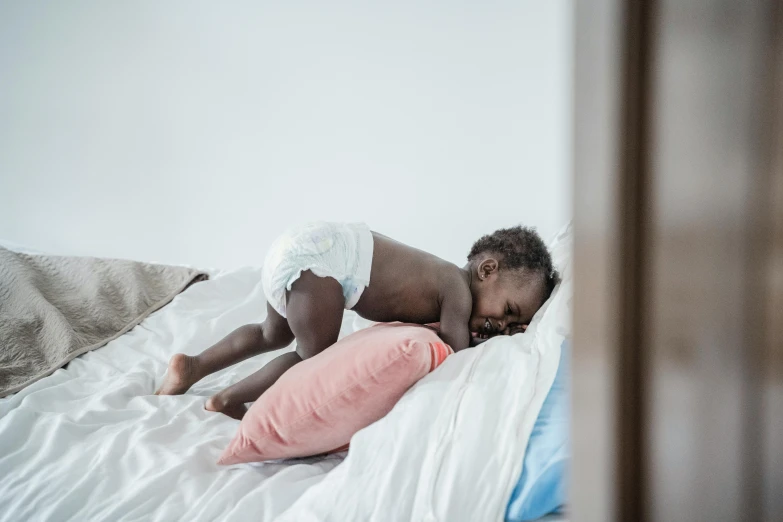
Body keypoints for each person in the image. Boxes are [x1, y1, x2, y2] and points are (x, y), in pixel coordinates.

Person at [155, 222, 559, 419]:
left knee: (270, 332)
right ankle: (227, 398)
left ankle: (193, 366)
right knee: (309, 357)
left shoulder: (439, 275)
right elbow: (457, 351)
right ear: (486, 271)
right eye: (507, 312)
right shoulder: (456, 289)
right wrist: (487, 344)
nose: (501, 328)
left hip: (302, 248)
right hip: (323, 267)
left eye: (513, 327)